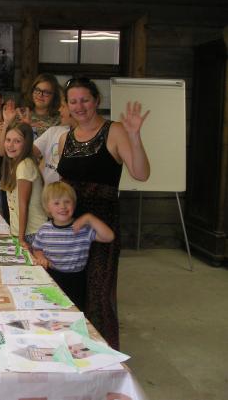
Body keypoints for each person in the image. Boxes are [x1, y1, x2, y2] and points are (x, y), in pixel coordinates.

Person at [57, 77, 150, 349]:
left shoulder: (115, 130)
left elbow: (141, 174)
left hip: (101, 229)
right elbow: (63, 185)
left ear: (96, 100)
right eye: (73, 101)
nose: (79, 106)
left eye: (85, 100)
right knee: (69, 289)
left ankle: (101, 354)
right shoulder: (65, 138)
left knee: (98, 294)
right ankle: (71, 349)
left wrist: (134, 136)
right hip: (70, 227)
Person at [32, 181, 115, 310]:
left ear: (74, 204)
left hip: (77, 280)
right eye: (56, 203)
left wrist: (89, 218)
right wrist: (41, 257)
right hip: (52, 277)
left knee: (75, 311)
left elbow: (109, 236)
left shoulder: (83, 228)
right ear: (47, 207)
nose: (63, 206)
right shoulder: (44, 229)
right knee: (52, 309)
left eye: (67, 202)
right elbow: (37, 248)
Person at [0, 122, 47, 249]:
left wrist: (21, 239)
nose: (10, 145)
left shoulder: (24, 165)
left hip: (31, 233)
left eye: (17, 141)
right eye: (8, 140)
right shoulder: (15, 164)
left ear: (26, 144)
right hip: (23, 231)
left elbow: (23, 205)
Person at [33, 96, 75, 184]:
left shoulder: (84, 137)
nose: (59, 110)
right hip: (46, 190)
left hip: (66, 190)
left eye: (63, 106)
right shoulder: (54, 131)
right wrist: (25, 128)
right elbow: (29, 152)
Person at [28, 73, 62, 139]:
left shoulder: (59, 120)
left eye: (46, 92)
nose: (40, 95)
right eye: (37, 90)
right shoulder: (21, 115)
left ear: (54, 96)